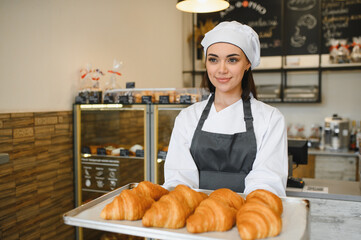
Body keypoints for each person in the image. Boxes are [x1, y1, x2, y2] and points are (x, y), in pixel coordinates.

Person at [163, 21, 288, 196]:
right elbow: (178, 179)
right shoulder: (187, 117)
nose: (221, 70)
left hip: (248, 217)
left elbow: (267, 183)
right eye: (213, 60)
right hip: (195, 217)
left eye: (232, 60)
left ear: (247, 64)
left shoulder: (270, 119)